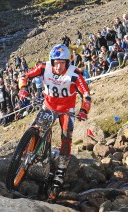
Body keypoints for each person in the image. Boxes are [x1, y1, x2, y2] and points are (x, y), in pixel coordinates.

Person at [18, 44, 91, 202]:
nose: (58, 66)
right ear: (52, 60)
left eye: (62, 62)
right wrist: (23, 88)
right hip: (48, 106)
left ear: (67, 62)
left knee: (66, 136)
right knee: (36, 128)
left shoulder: (75, 74)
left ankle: (61, 170)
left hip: (66, 110)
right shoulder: (44, 67)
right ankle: (29, 152)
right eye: (56, 62)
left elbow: (86, 93)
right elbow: (24, 75)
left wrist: (84, 110)